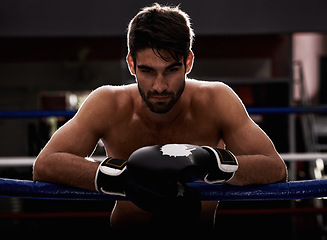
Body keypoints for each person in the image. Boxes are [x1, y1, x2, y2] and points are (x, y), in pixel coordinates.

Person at [33, 3, 287, 231]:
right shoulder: (108, 103)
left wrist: (213, 162)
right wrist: (123, 178)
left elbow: (274, 168)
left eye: (172, 70)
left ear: (188, 62)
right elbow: (46, 165)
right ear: (131, 65)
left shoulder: (216, 100)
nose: (159, 86)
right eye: (147, 70)